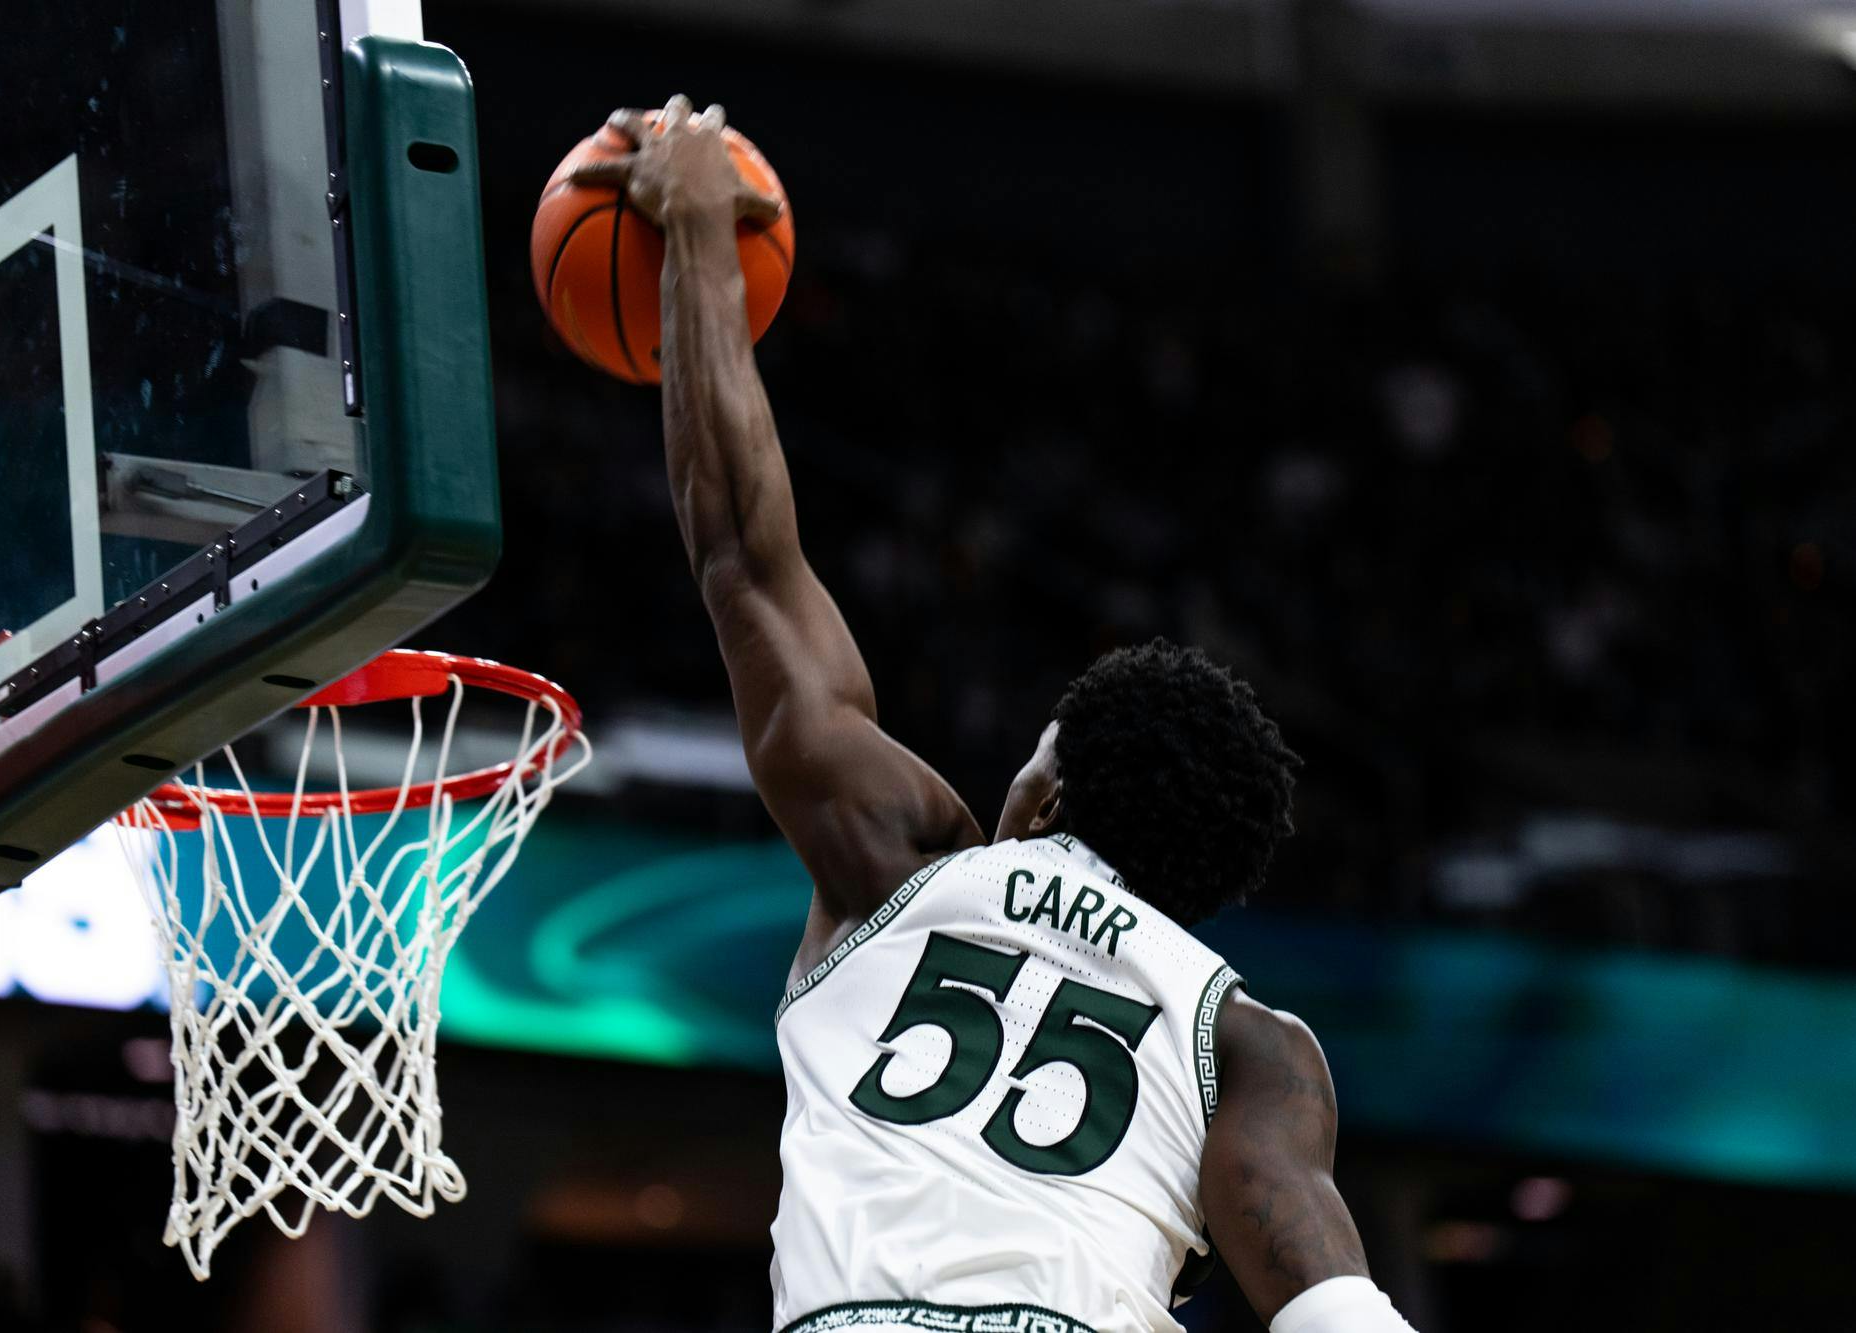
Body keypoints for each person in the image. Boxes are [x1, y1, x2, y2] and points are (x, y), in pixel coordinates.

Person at [570, 95, 1418, 1333]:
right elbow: (1326, 1303)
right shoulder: (1247, 1039)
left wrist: (696, 231)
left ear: (1050, 789)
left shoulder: (894, 862)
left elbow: (745, 559)